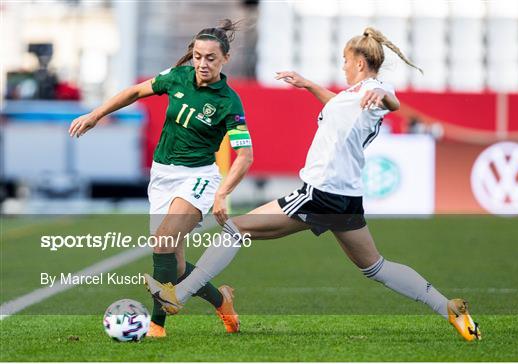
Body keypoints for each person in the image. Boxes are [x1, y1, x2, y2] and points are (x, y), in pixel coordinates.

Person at [145, 27, 481, 341]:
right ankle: (448, 306)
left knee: (235, 227)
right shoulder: (352, 96)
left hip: (318, 192)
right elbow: (340, 105)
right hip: (345, 198)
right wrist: (308, 85)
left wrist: (380, 91)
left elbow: (388, 100)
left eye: (346, 61)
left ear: (360, 63)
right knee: (376, 267)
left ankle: (180, 295)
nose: (344, 66)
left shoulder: (374, 91)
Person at [69, 19, 253, 337]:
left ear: (225, 59)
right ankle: (221, 300)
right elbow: (136, 91)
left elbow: (245, 156)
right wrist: (96, 114)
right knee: (175, 265)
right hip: (162, 176)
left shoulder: (228, 102)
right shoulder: (177, 76)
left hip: (198, 178)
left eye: (210, 58)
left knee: (163, 239)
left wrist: (223, 192)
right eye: (197, 56)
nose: (202, 63)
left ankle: (157, 325)